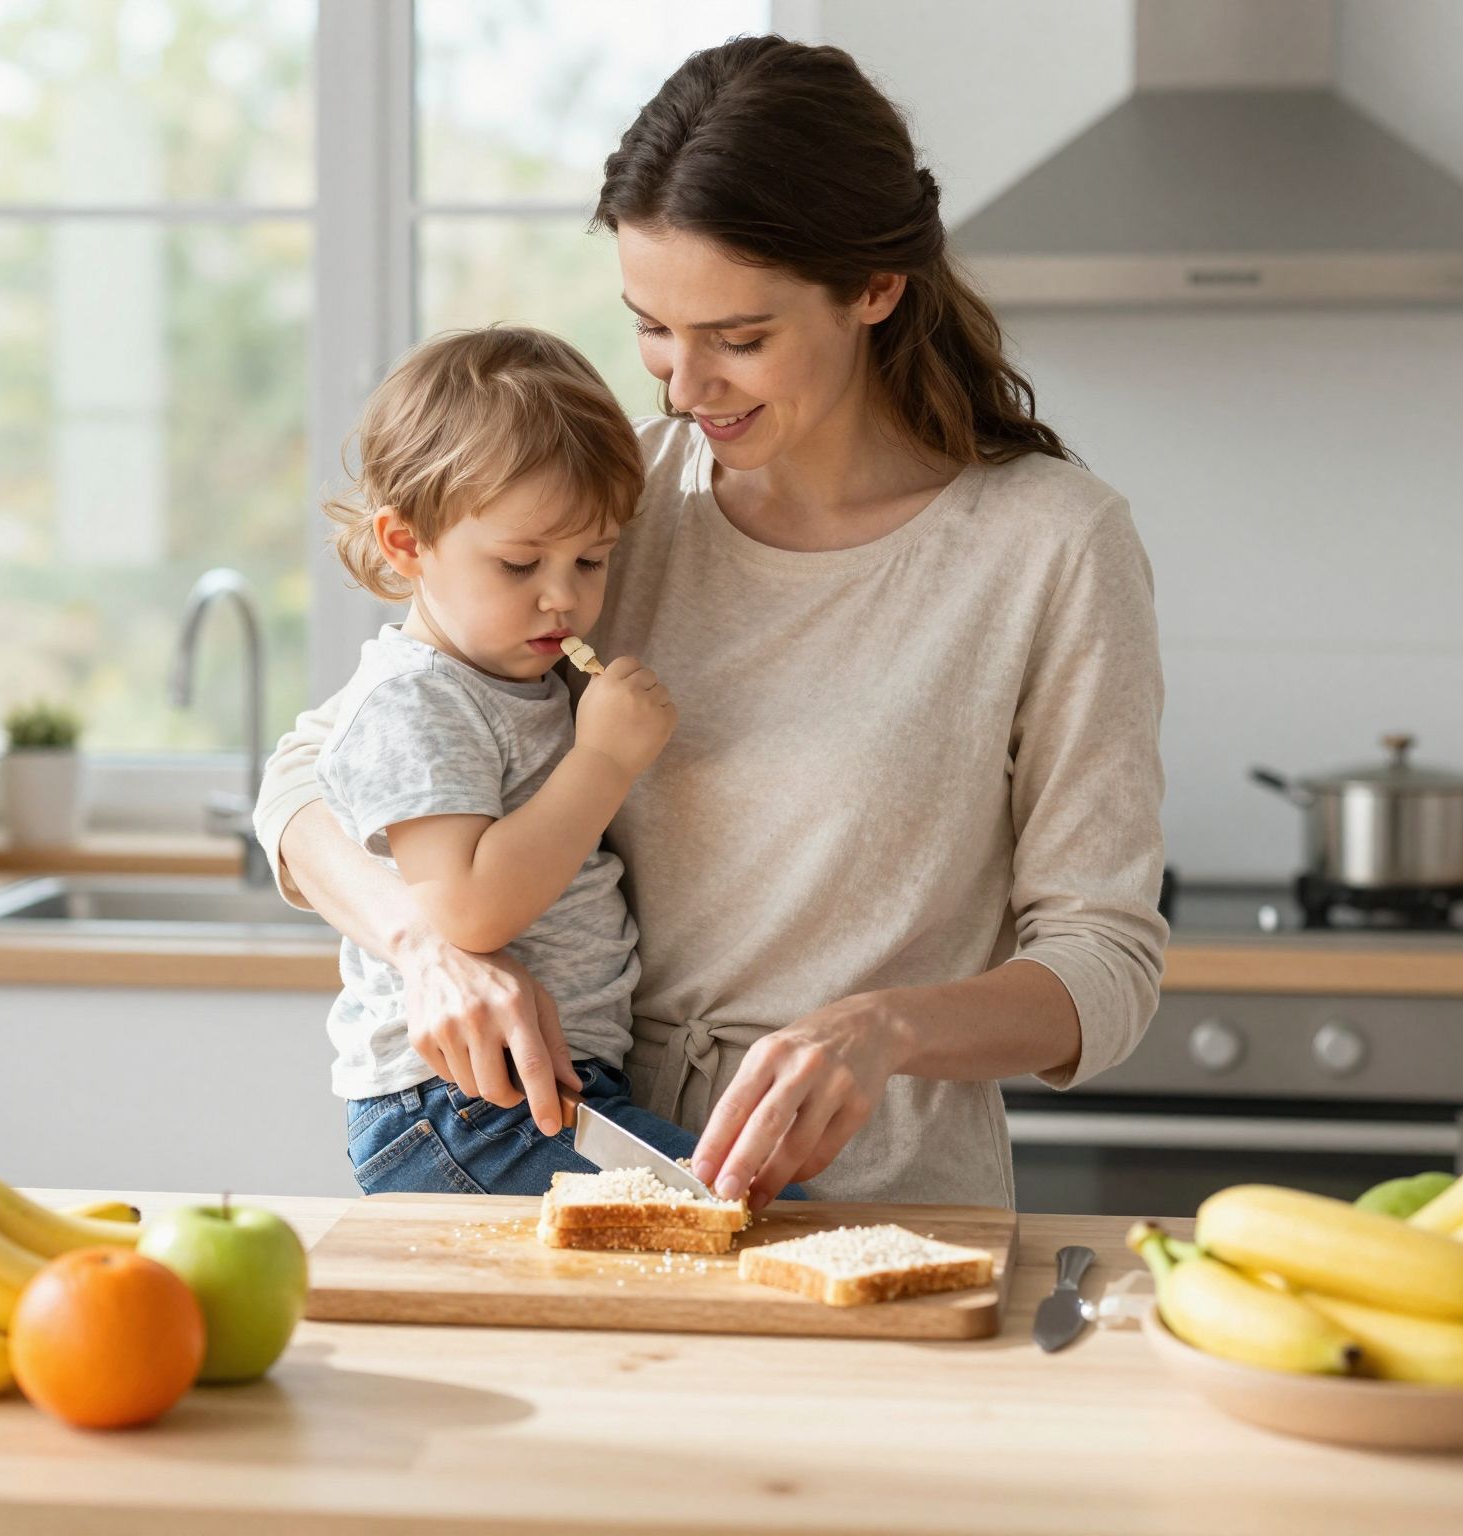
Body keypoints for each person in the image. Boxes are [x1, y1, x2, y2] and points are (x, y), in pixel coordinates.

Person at [257, 35, 1168, 1211]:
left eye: (737, 339)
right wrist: (423, 945)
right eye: (650, 327)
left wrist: (883, 1029)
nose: (682, 388)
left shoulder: (1046, 545)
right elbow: (304, 777)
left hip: (877, 1201)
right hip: (576, 1165)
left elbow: (1104, 963)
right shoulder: (610, 507)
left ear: (874, 290)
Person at [311, 325, 705, 1197]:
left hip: (534, 1091)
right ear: (407, 544)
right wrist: (603, 760)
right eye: (520, 563)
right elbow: (467, 910)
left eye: (592, 560)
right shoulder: (417, 700)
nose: (562, 595)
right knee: (759, 1230)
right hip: (463, 1106)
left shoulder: (516, 677)